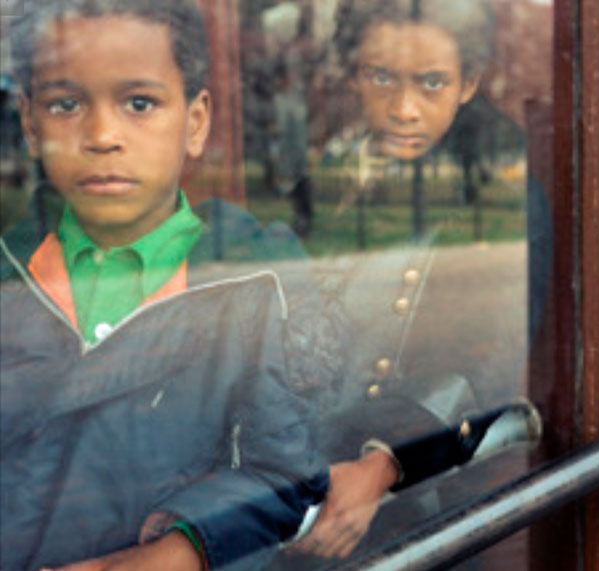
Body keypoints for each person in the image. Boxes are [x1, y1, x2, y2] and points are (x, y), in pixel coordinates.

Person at [0, 1, 331, 569]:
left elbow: (285, 472)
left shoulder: (253, 285)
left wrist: (179, 550)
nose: (102, 135)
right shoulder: (11, 274)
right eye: (66, 104)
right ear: (30, 124)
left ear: (195, 121)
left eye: (139, 103)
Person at [286, 0, 508, 562]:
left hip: (405, 492)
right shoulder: (329, 173)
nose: (403, 108)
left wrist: (382, 462)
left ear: (468, 82)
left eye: (431, 83)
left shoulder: (491, 185)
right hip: (291, 466)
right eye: (382, 77)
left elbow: (487, 362)